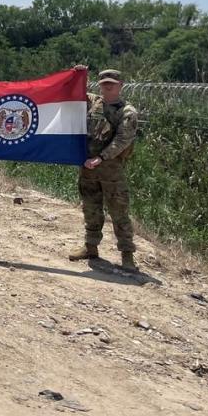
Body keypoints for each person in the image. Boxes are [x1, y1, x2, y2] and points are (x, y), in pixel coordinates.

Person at [69, 68, 139, 271]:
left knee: (119, 212)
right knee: (91, 209)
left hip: (111, 170)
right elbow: (74, 95)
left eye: (112, 83)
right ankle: (90, 247)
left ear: (120, 85)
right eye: (104, 83)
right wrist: (79, 76)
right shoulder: (92, 102)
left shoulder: (127, 111)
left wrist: (101, 158)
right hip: (88, 168)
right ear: (99, 85)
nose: (108, 86)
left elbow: (122, 140)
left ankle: (127, 255)